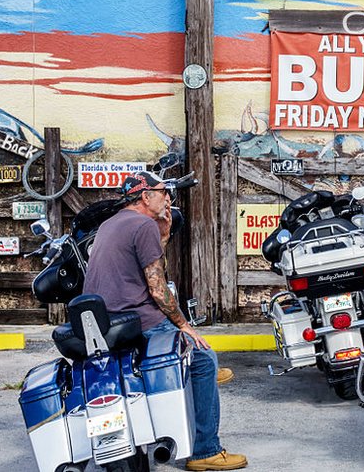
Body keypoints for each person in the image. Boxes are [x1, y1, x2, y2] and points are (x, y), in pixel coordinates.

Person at [84, 171, 247, 471]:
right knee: (204, 358)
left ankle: (198, 380)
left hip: (107, 320)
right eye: (163, 192)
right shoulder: (142, 224)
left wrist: (164, 234)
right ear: (145, 197)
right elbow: (158, 290)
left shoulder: (111, 224)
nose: (169, 198)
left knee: (200, 359)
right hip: (137, 319)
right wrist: (185, 326)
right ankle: (205, 452)